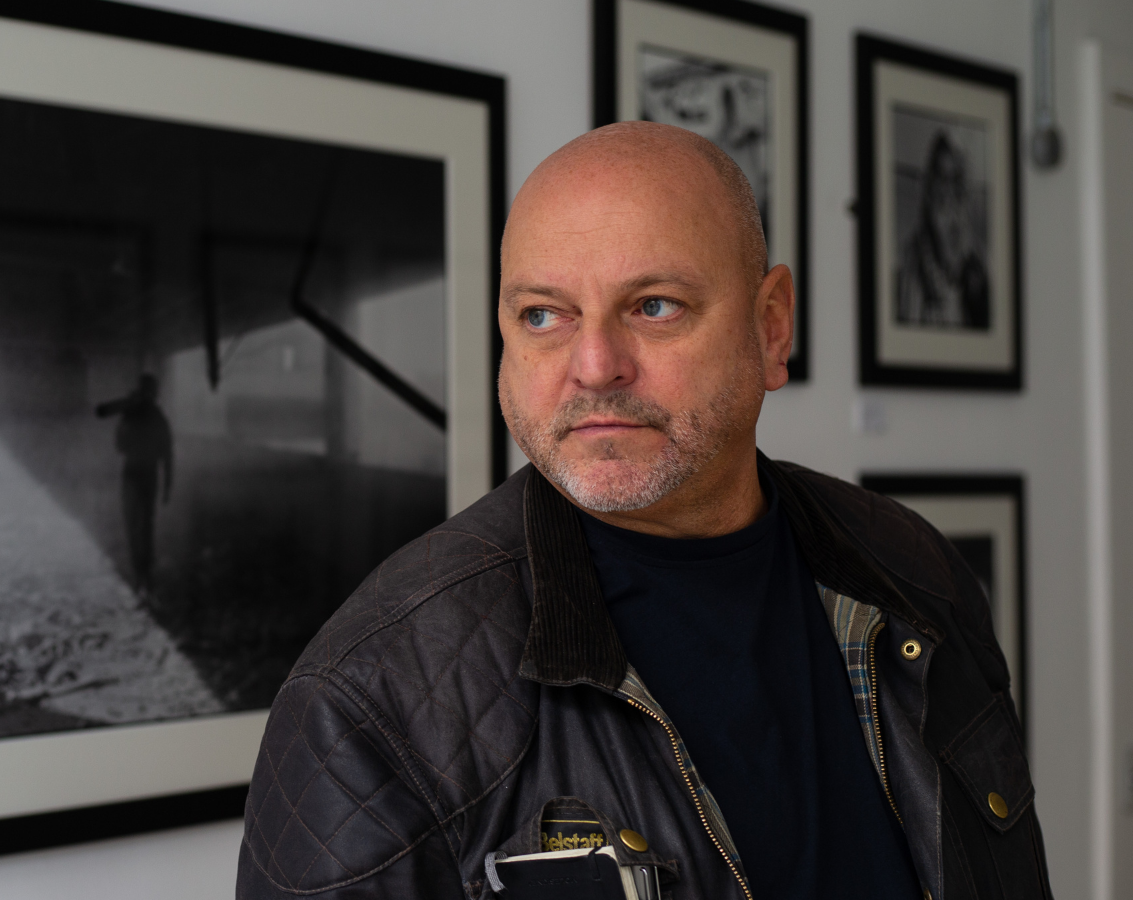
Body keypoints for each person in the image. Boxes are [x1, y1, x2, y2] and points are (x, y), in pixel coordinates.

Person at [237, 123, 1049, 900]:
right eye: (543, 316)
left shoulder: (913, 570)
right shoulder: (369, 699)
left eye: (654, 306)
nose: (593, 367)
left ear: (771, 328)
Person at [897, 131, 991, 330]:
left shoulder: (978, 272)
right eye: (941, 199)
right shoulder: (912, 266)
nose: (953, 216)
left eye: (958, 194)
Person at [95, 373, 172, 591]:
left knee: (133, 524)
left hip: (133, 472)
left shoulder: (132, 413)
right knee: (144, 525)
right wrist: (167, 485)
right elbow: (167, 454)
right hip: (147, 474)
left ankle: (141, 573)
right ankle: (144, 575)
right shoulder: (157, 416)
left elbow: (118, 442)